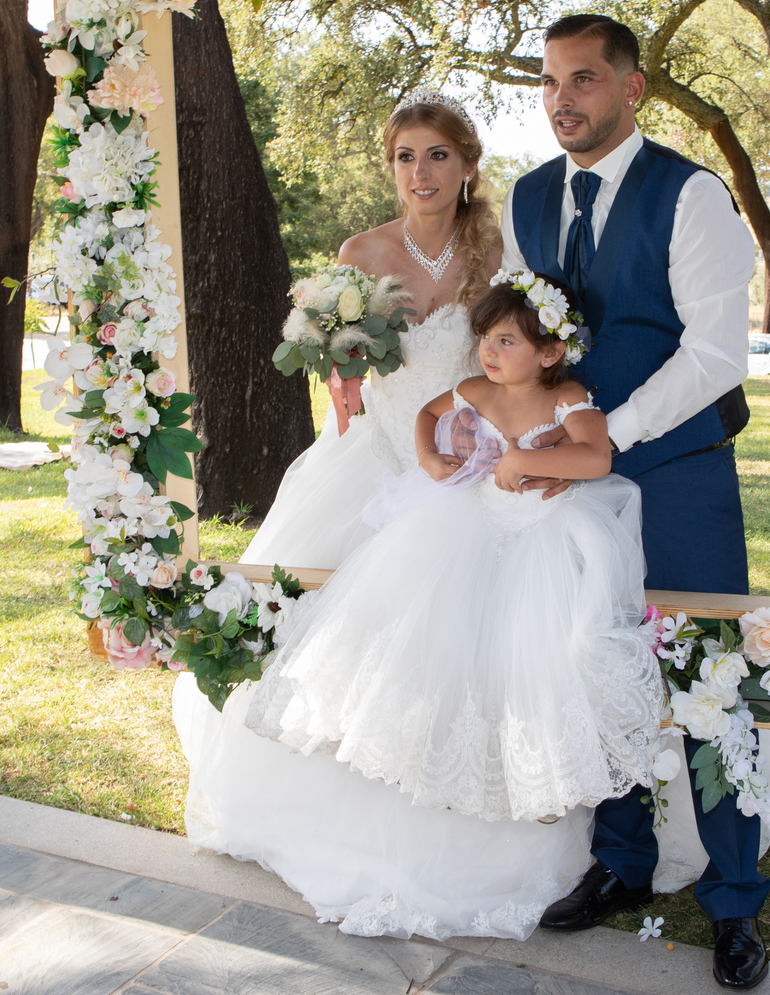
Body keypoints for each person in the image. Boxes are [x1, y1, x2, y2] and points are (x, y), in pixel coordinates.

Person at [173, 271, 663, 941]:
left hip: (537, 541)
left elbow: (599, 455)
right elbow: (427, 415)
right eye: (488, 339)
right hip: (462, 527)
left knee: (528, 656)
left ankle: (530, 773)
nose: (490, 352)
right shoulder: (476, 389)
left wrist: (533, 463)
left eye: (508, 341)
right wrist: (432, 460)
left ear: (550, 353)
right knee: (430, 643)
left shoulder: (567, 397)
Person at [500, 14, 768, 989]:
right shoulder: (528, 198)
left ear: (631, 89)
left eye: (583, 79)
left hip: (680, 471)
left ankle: (735, 901)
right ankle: (621, 863)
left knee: (707, 677)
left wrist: (617, 429)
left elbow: (715, 355)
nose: (563, 99)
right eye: (550, 82)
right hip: (572, 482)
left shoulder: (690, 194)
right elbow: (518, 331)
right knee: (595, 666)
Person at [240, 89, 500, 570]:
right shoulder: (360, 255)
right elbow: (342, 361)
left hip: (469, 455)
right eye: (406, 157)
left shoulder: (500, 254)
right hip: (376, 458)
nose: (420, 174)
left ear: (468, 165)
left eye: (437, 155)